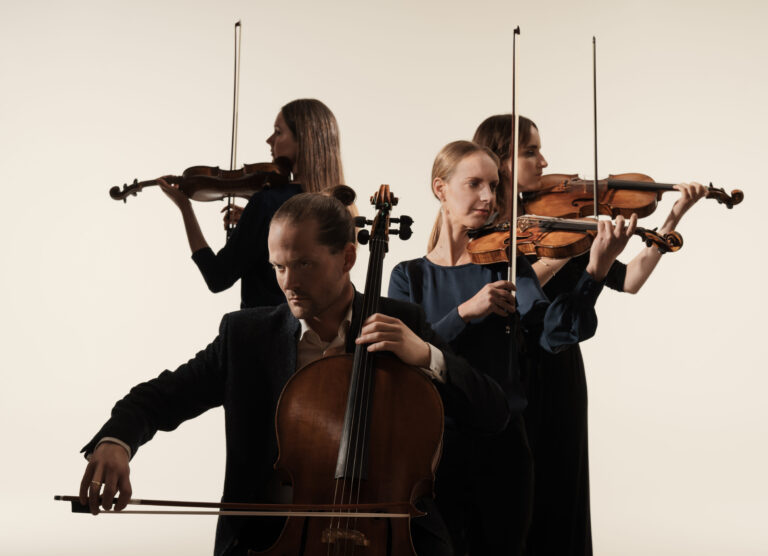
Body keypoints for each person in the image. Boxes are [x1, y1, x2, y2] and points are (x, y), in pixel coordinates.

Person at [77, 187, 510, 556]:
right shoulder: (247, 336)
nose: (287, 282)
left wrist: (426, 355)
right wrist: (116, 443)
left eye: (303, 264)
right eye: (278, 267)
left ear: (346, 258)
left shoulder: (403, 322)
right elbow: (161, 397)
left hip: (394, 539)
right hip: (272, 539)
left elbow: (493, 412)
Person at [473, 114, 707, 555]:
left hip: (559, 368)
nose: (544, 161)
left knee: (562, 488)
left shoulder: (564, 224)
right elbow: (517, 286)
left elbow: (631, 278)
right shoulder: (488, 229)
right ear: (499, 161)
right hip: (505, 368)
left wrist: (673, 215)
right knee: (509, 499)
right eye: (530, 151)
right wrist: (565, 244)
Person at [387, 140, 636, 555]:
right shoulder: (408, 276)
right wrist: (467, 311)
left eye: (494, 185)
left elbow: (555, 333)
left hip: (503, 446)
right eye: (474, 184)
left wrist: (596, 269)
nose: (488, 197)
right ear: (440, 188)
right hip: (432, 450)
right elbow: (407, 355)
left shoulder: (508, 265)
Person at [159, 98, 346, 308]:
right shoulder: (339, 204)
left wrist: (185, 208)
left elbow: (217, 277)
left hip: (261, 331)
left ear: (303, 139)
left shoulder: (267, 203)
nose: (269, 140)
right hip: (310, 334)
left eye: (278, 132)